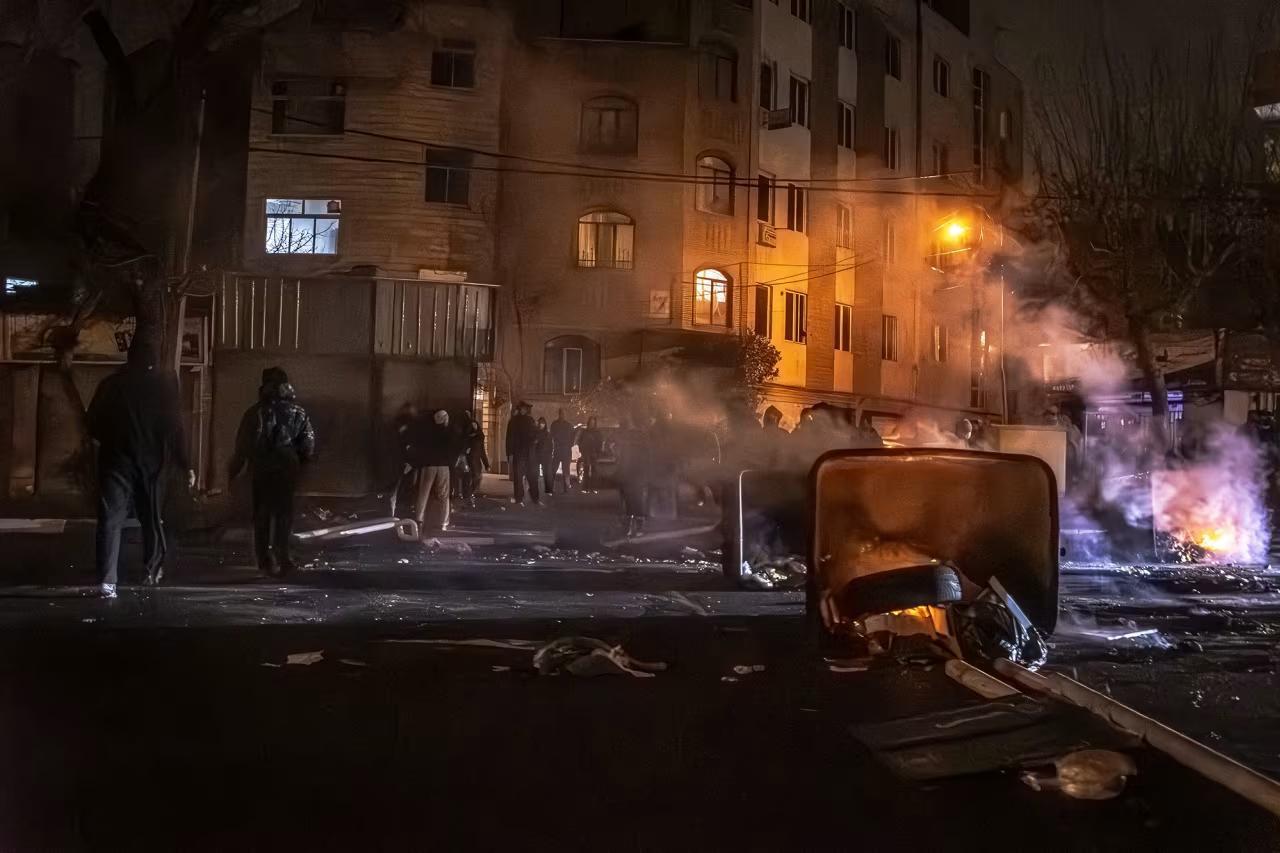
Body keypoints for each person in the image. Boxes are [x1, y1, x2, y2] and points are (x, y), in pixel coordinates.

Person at [86, 340, 194, 598]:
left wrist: (113, 440)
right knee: (151, 518)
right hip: (152, 464)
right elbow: (175, 428)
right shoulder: (163, 388)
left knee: (110, 520)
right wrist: (185, 464)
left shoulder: (110, 385)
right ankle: (151, 571)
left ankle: (107, 582)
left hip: (116, 461)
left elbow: (92, 424)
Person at [227, 367, 316, 577]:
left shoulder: (254, 412)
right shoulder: (298, 412)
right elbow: (308, 445)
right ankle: (283, 557)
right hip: (287, 468)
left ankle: (264, 561)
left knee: (262, 514)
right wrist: (300, 464)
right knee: (284, 514)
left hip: (262, 467)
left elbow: (242, 446)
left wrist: (233, 472)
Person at [408, 409, 457, 535]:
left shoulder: (428, 431)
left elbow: (421, 449)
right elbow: (453, 449)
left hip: (429, 465)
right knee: (443, 496)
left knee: (423, 493)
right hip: (443, 466)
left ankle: (419, 519)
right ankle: (443, 523)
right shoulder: (449, 432)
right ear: (445, 419)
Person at [612, 414, 651, 537]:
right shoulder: (643, 436)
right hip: (638, 472)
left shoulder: (625, 436)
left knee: (628, 500)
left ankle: (628, 527)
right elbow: (648, 455)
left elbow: (616, 451)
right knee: (637, 500)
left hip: (628, 472)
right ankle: (638, 528)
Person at [505, 402, 540, 506]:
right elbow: (510, 439)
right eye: (523, 408)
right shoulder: (523, 421)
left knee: (523, 477)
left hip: (522, 453)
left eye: (525, 408)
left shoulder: (516, 421)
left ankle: (523, 498)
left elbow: (509, 439)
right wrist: (510, 453)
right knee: (525, 476)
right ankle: (529, 498)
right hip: (523, 453)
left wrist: (510, 453)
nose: (524, 410)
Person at [457, 410, 490, 507]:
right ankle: (467, 497)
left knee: (476, 478)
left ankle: (468, 495)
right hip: (469, 460)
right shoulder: (466, 435)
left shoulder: (478, 437)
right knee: (468, 478)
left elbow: (482, 451)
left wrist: (486, 464)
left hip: (475, 461)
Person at [549, 409, 577, 494]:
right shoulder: (555, 424)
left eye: (563, 414)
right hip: (559, 449)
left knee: (565, 470)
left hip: (565, 449)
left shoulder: (568, 425)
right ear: (559, 414)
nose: (562, 415)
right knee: (554, 469)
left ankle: (565, 488)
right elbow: (551, 436)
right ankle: (552, 486)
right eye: (561, 414)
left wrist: (570, 444)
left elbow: (573, 437)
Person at [577, 416, 604, 493]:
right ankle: (585, 488)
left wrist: (598, 451)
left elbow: (600, 442)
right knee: (586, 469)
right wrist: (582, 450)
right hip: (586, 453)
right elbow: (580, 441)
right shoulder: (585, 432)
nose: (592, 424)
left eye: (593, 422)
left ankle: (593, 488)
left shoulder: (597, 432)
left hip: (594, 452)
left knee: (594, 471)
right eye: (591, 422)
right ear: (589, 423)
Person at [535, 416, 555, 496]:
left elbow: (550, 445)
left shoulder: (547, 434)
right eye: (540, 423)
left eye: (543, 423)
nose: (541, 424)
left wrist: (550, 454)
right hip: (537, 455)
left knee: (547, 473)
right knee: (535, 473)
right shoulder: (536, 433)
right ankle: (533, 489)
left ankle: (548, 489)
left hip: (546, 455)